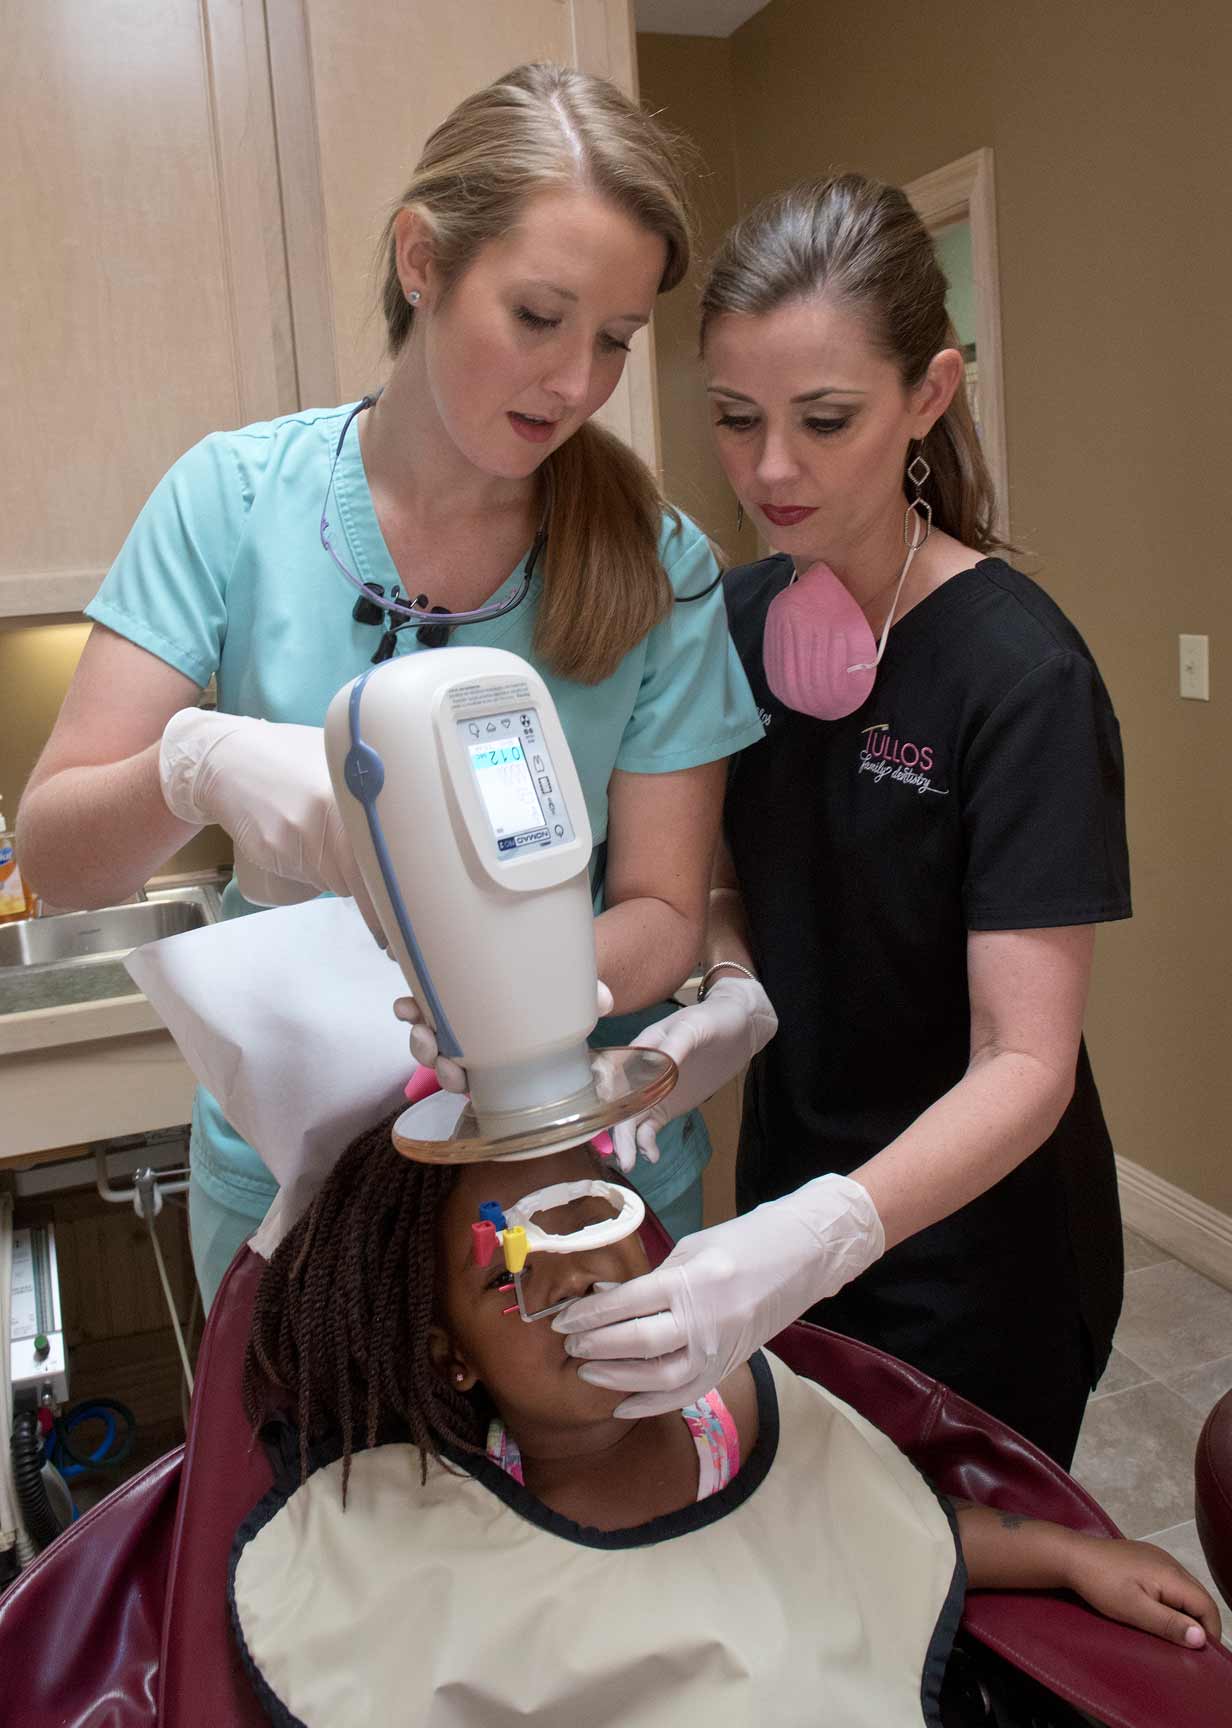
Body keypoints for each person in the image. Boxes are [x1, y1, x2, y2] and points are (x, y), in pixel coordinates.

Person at [17, 64, 763, 1305]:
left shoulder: (655, 567)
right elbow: (62, 861)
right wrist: (188, 761)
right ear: (422, 260)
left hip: (563, 1181)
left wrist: (528, 1001)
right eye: (537, 317)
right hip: (301, 1185)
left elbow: (659, 909)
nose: (576, 384)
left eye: (615, 342)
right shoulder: (233, 503)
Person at [554, 174, 1131, 1469]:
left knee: (955, 1598)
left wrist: (822, 1233)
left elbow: (1025, 1063)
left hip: (980, 1252)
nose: (769, 470)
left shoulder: (1017, 675)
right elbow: (721, 888)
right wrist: (726, 995)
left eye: (824, 420)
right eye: (736, 419)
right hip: (793, 1190)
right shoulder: (738, 625)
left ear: (930, 393)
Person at [231, 1121, 1218, 1728]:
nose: (571, 1277)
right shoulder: (437, 1531)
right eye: (506, 1270)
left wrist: (1061, 1554)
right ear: (451, 1356)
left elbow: (862, 1517)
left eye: (590, 1222)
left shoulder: (735, 1416)